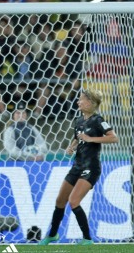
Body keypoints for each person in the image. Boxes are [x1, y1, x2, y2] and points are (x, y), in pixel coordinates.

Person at [39, 89, 118, 246]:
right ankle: (53, 235)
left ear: (90, 103)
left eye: (81, 99)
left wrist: (91, 138)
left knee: (73, 201)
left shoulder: (98, 120)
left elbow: (113, 138)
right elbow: (77, 137)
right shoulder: (79, 121)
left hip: (91, 167)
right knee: (60, 200)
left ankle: (87, 239)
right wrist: (71, 146)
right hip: (77, 165)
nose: (78, 102)